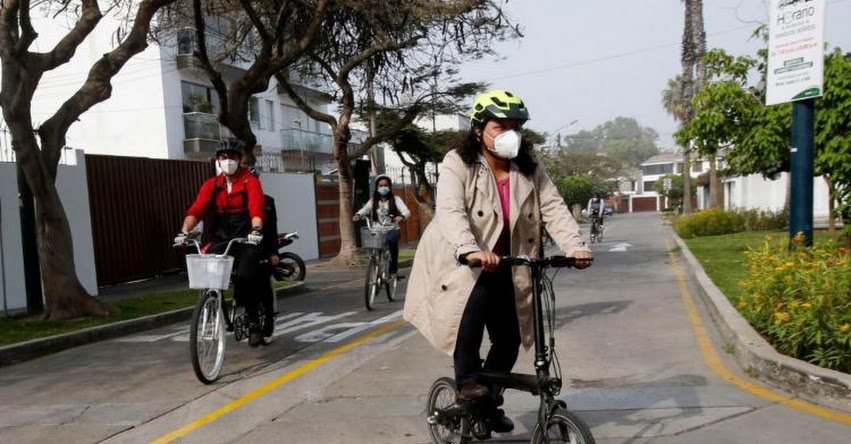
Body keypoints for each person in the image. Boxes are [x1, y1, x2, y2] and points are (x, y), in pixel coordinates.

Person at [403, 90, 593, 434]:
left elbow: (552, 206)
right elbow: (450, 211)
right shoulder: (457, 162)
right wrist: (469, 248)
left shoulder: (530, 165)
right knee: (469, 322)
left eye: (516, 126)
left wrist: (576, 246)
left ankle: (487, 401)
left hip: (510, 263)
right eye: (500, 126)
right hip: (462, 262)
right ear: (479, 130)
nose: (510, 134)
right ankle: (469, 389)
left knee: (509, 339)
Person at [174, 147, 271, 347]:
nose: (228, 161)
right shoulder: (212, 185)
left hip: (246, 238)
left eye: (232, 157)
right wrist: (184, 232)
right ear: (218, 161)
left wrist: (256, 230)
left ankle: (253, 323)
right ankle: (210, 302)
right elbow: (197, 209)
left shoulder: (250, 182)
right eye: (223, 158)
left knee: (246, 276)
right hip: (223, 238)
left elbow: (256, 208)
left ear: (239, 160)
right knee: (208, 268)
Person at [353, 174, 411, 278]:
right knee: (373, 245)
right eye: (380, 185)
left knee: (393, 242)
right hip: (378, 229)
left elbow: (406, 211)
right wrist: (358, 214)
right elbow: (365, 209)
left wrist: (401, 217)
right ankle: (375, 264)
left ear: (389, 187)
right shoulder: (373, 200)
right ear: (377, 187)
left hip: (392, 228)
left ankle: (393, 271)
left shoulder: (395, 199)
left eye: (385, 185)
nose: (383, 187)